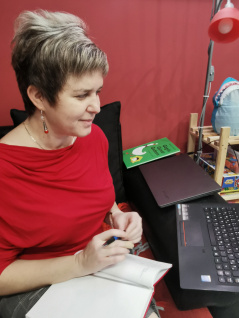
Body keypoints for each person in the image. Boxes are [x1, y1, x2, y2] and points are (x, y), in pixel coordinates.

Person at [0, 10, 160, 318]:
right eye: (82, 95)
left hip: (98, 264)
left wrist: (115, 214)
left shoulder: (93, 137)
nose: (97, 106)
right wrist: (78, 264)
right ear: (38, 96)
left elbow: (97, 195)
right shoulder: (6, 172)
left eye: (98, 91)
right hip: (37, 284)